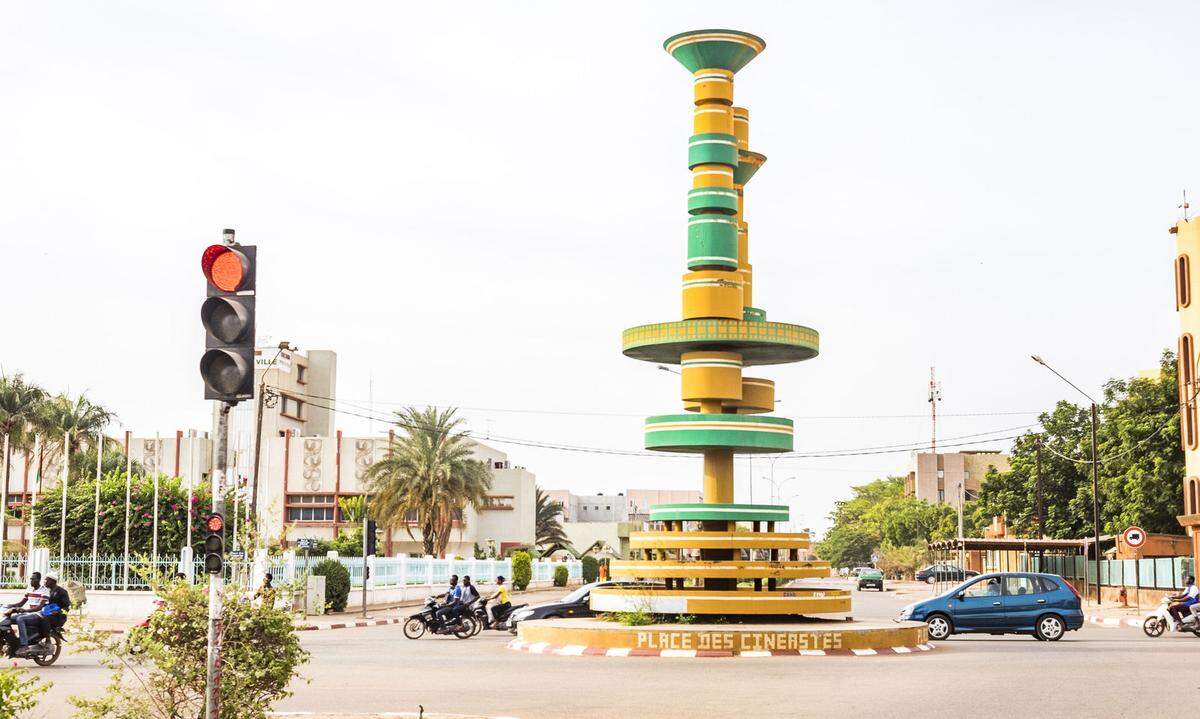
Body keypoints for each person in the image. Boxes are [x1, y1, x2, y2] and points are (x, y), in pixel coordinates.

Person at [17, 575, 69, 654]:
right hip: (47, 613)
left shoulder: (62, 592)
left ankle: (48, 640)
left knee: (44, 618)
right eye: (44, 580)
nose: (44, 582)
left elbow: (66, 607)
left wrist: (59, 612)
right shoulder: (46, 591)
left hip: (58, 617)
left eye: (47, 580)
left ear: (53, 581)